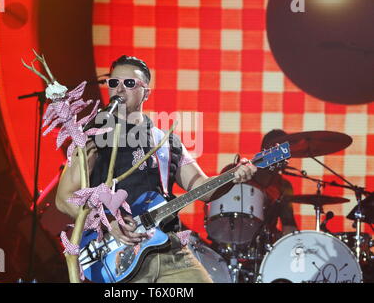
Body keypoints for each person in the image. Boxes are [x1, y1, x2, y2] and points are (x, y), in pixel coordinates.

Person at [55, 55, 257, 283]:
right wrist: (108, 222)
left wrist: (232, 177)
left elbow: (203, 188)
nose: (119, 89)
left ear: (146, 92)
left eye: (129, 83)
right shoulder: (94, 136)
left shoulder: (167, 142)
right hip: (119, 253)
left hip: (169, 248)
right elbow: (64, 198)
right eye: (113, 83)